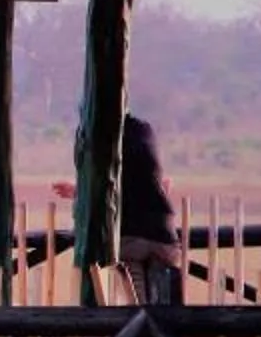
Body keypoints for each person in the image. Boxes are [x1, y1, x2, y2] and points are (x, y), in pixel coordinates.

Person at [56, 111, 183, 303]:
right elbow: (142, 182)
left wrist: (80, 192)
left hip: (130, 236)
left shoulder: (101, 136)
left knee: (138, 309)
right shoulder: (143, 130)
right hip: (165, 237)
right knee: (164, 306)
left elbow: (104, 188)